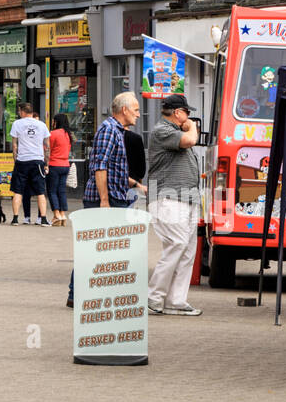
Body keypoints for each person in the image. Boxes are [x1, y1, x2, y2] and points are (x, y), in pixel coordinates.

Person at [67, 92, 143, 308]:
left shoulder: (117, 131)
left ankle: (86, 294)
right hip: (105, 200)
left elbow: (114, 169)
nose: (138, 114)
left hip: (115, 197)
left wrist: (136, 185)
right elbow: (99, 166)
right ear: (124, 110)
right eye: (136, 110)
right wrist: (104, 201)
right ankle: (78, 294)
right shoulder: (109, 130)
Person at [146, 93, 203, 317]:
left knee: (187, 251)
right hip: (168, 198)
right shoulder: (163, 130)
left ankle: (175, 300)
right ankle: (154, 297)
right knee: (177, 244)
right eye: (187, 113)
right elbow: (190, 140)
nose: (188, 117)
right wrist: (191, 127)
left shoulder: (175, 131)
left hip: (186, 199)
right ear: (178, 113)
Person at [9, 104, 50, 226]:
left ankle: (15, 218)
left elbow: (14, 145)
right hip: (37, 160)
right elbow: (47, 146)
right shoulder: (42, 125)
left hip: (22, 161)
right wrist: (46, 163)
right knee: (40, 191)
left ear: (22, 112)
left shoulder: (17, 124)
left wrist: (16, 160)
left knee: (18, 191)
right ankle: (43, 218)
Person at [46, 112, 72, 225]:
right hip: (65, 165)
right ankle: (62, 214)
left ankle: (56, 214)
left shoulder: (53, 133)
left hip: (54, 164)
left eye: (53, 121)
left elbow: (47, 149)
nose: (52, 123)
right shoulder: (68, 135)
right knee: (61, 191)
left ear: (56, 122)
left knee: (52, 191)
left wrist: (45, 163)